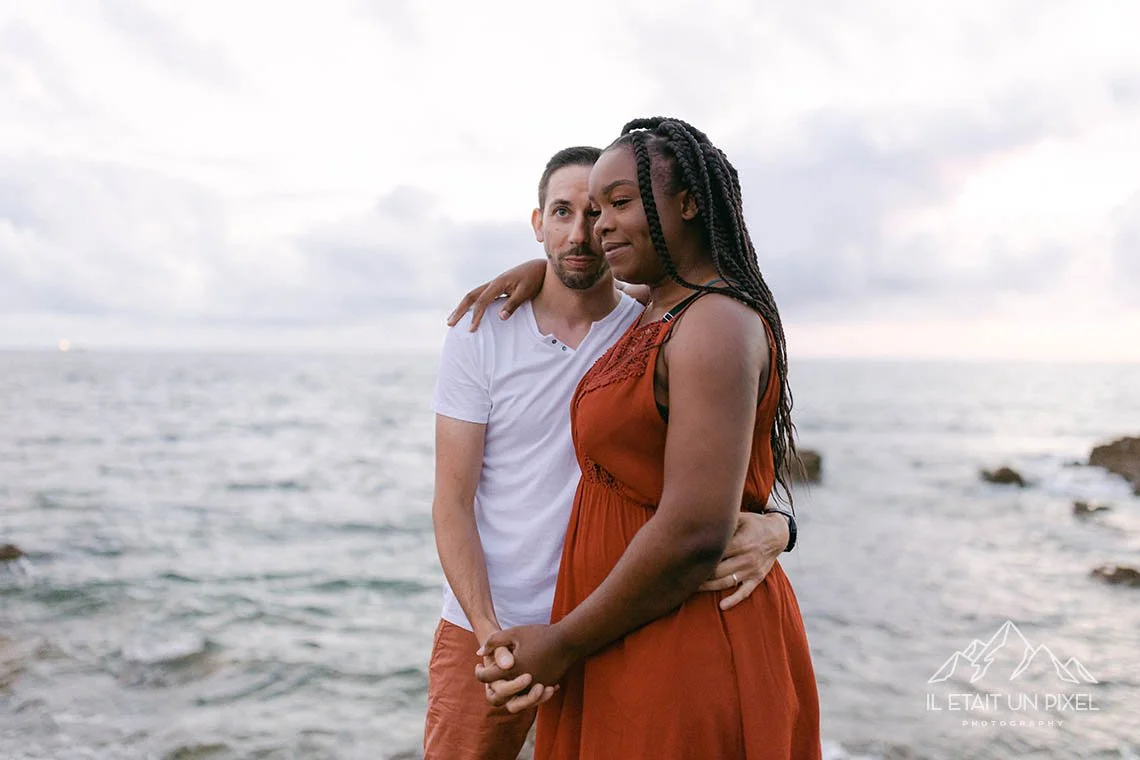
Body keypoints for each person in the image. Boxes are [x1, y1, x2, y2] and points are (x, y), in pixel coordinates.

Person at [427, 145, 793, 760]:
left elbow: (731, 460)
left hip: (610, 622)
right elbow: (452, 502)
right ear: (537, 222)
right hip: (493, 627)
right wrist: (488, 631)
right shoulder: (482, 329)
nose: (581, 231)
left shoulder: (650, 325)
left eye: (599, 210)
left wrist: (780, 525)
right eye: (561, 212)